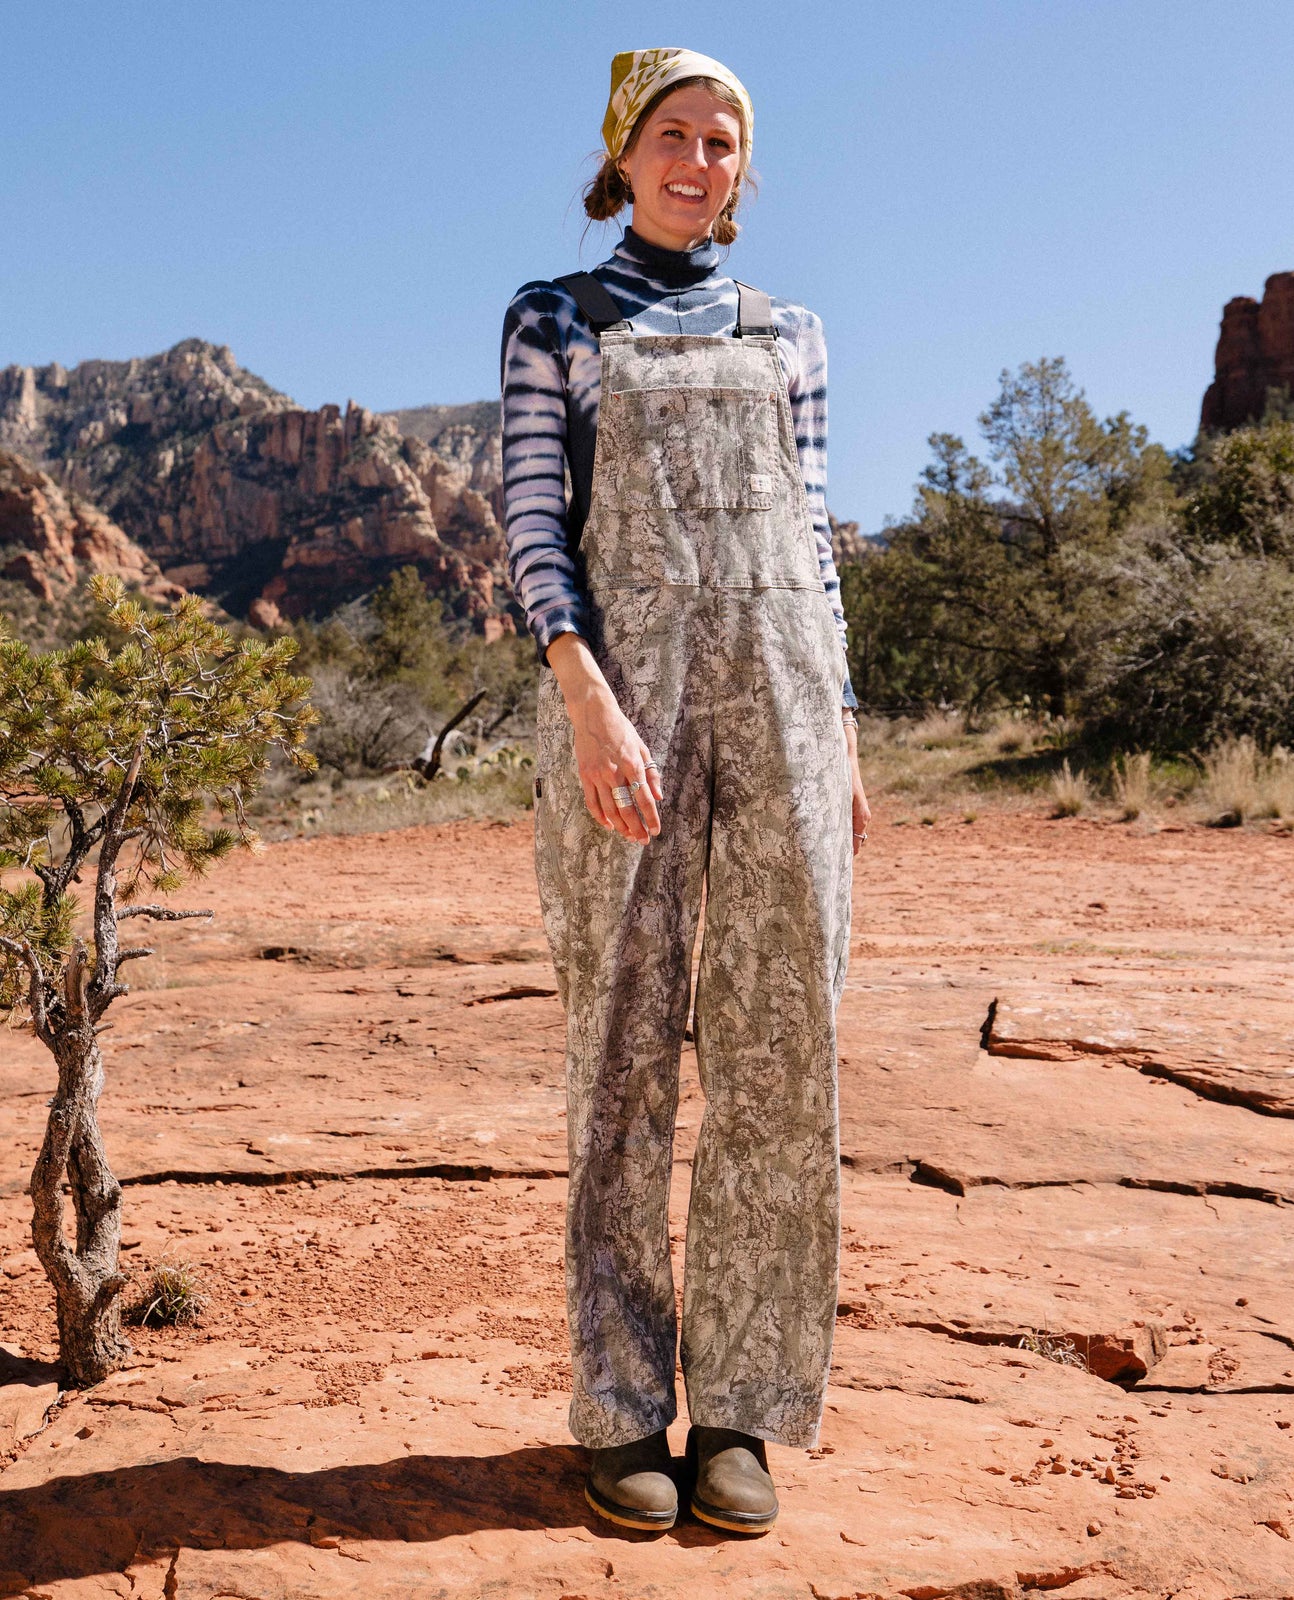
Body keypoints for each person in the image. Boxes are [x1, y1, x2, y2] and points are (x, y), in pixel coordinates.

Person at [500, 47, 871, 1535]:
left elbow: (817, 543)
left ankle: (740, 1414)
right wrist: (587, 701)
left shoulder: (793, 331)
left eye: (721, 141)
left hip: (786, 709)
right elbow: (536, 526)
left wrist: (840, 736)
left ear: (741, 169)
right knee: (621, 1057)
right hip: (626, 712)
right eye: (673, 134)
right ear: (623, 154)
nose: (697, 161)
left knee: (784, 1057)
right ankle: (617, 1410)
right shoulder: (555, 317)